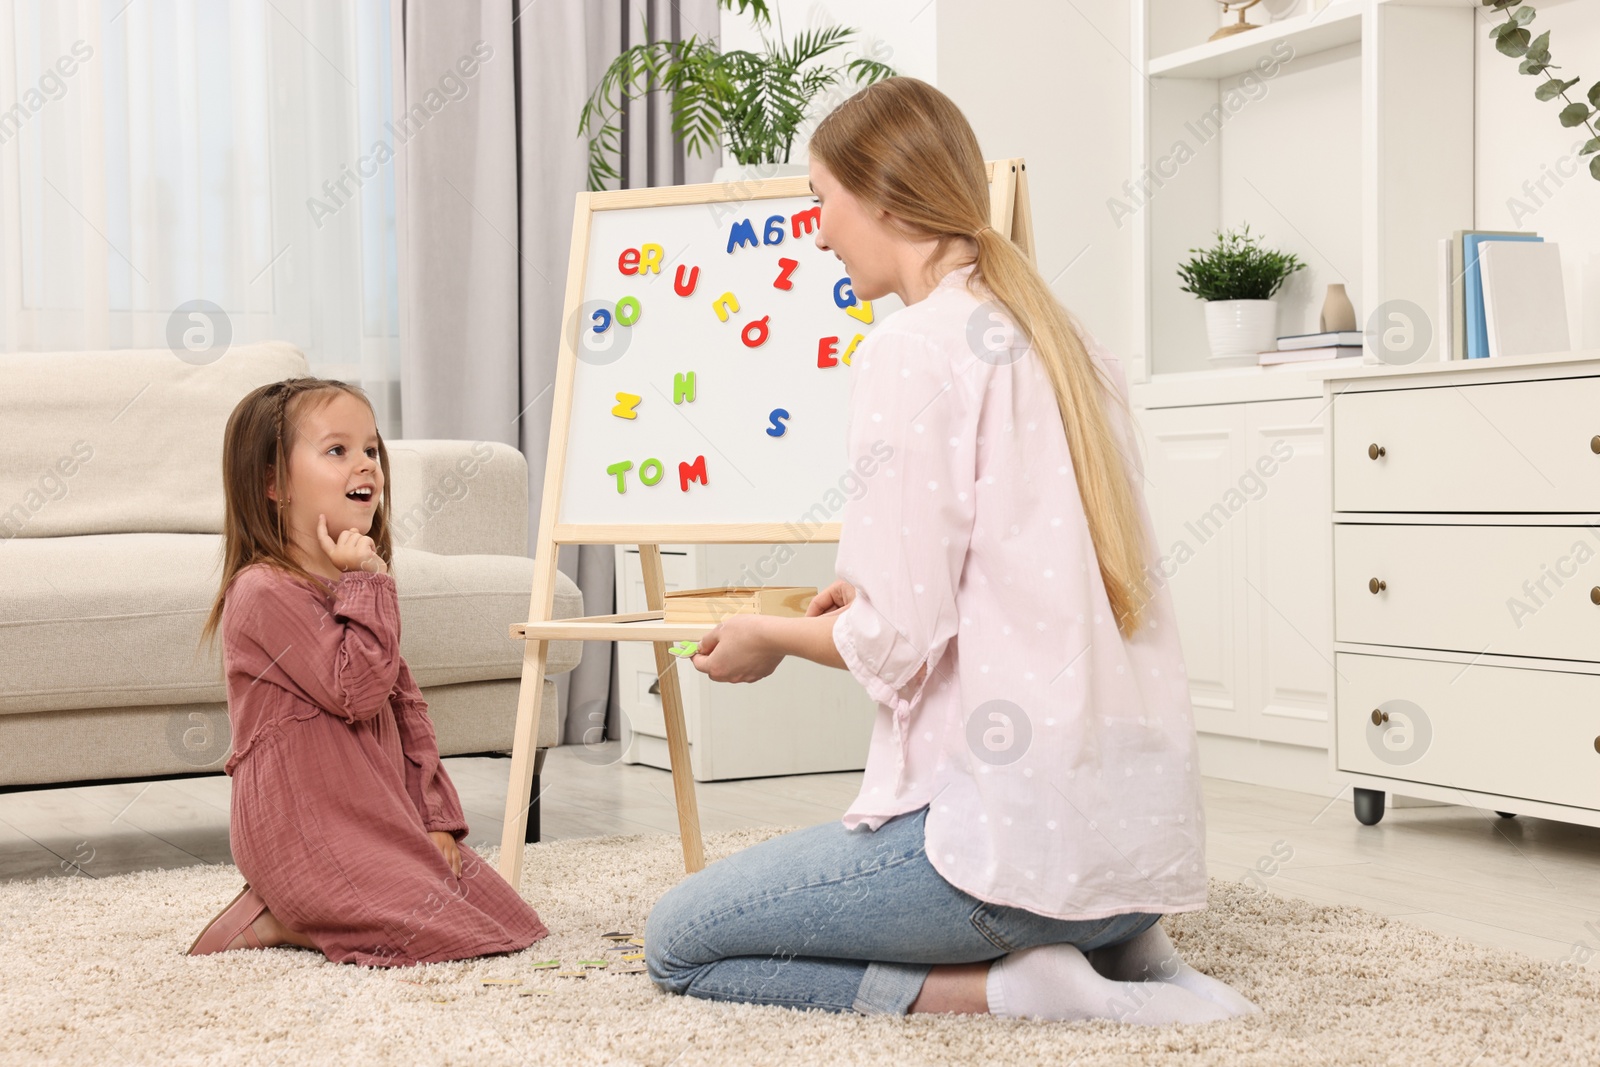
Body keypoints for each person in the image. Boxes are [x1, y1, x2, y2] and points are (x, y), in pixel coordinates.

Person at [642, 77, 1260, 1024]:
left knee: (679, 941)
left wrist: (763, 633)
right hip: (1130, 861)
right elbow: (1014, 585)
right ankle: (1128, 950)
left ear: (883, 197)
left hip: (1009, 865)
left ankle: (1017, 989)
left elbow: (897, 639)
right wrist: (858, 604)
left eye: (820, 202)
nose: (814, 234)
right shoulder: (1068, 340)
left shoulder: (913, 350)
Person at [186, 377, 548, 965]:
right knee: (445, 938)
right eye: (338, 450)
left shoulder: (354, 587)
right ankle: (278, 917)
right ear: (274, 484)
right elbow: (356, 691)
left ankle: (311, 908)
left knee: (508, 922)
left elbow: (406, 711)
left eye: (372, 449)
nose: (367, 465)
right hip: (301, 828)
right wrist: (370, 581)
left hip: (377, 817)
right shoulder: (262, 592)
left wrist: (437, 819)